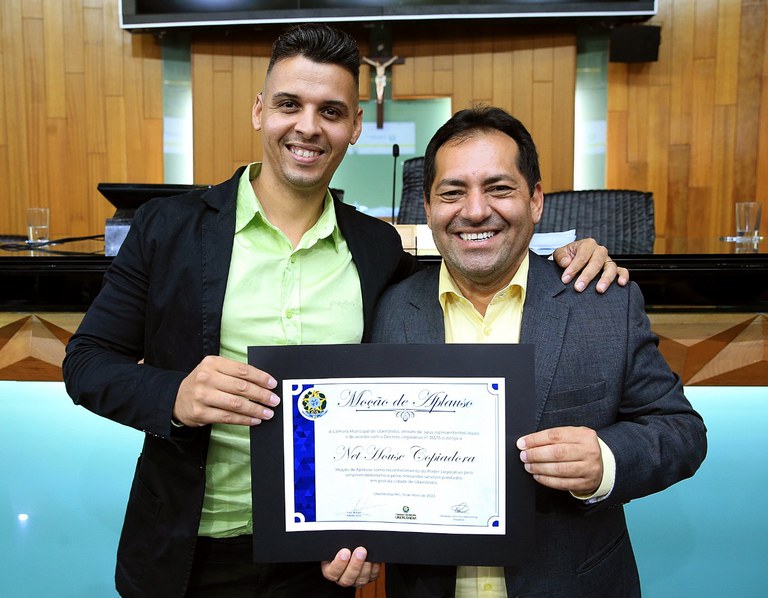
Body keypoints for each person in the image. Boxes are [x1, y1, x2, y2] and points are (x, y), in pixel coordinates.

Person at [63, 25, 626, 598]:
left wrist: (566, 256)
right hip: (188, 547)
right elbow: (86, 362)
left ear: (354, 126)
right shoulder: (168, 228)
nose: (308, 126)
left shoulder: (378, 248)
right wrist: (175, 397)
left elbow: (471, 272)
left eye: (330, 111)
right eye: (289, 104)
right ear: (259, 111)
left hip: (322, 557)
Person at [370, 106, 707, 597]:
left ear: (535, 201)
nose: (475, 210)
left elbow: (681, 431)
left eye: (499, 188)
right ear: (427, 206)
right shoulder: (387, 307)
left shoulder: (602, 302)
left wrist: (606, 459)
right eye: (452, 192)